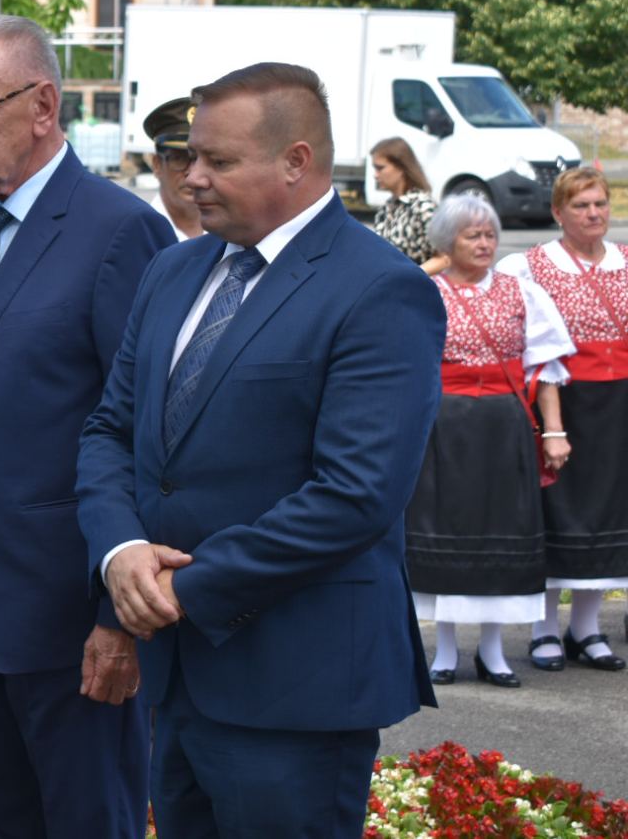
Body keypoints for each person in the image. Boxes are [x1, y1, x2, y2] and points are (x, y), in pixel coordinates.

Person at [77, 62, 445, 839]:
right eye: (188, 157)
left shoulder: (380, 288)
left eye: (218, 160)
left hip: (297, 687)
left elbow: (356, 493)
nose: (192, 178)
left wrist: (188, 587)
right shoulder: (173, 270)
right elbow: (112, 428)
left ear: (297, 162)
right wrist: (120, 552)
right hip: (180, 680)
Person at [0, 15, 172, 838]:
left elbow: (142, 433)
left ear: (43, 105)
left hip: (75, 622)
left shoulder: (119, 230)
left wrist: (117, 617)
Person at [406, 194, 573, 688]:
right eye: (471, 235)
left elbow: (544, 369)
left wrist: (555, 432)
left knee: (502, 527)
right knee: (447, 528)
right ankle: (447, 649)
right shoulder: (424, 292)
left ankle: (494, 649)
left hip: (504, 425)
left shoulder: (522, 292)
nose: (485, 244)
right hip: (444, 426)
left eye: (489, 234)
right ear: (446, 242)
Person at [496, 167, 628, 673]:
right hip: (564, 403)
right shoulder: (530, 267)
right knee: (558, 511)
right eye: (581, 206)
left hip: (618, 407)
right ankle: (544, 629)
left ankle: (587, 628)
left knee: (609, 514)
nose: (594, 213)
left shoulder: (622, 261)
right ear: (557, 213)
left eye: (600, 203)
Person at [370, 137, 440, 269]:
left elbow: (444, 258)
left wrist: (413, 277)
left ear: (402, 167)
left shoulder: (424, 207)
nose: (375, 175)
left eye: (380, 168)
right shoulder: (386, 208)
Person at [144, 96, 203, 240]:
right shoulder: (141, 233)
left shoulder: (231, 236)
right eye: (179, 158)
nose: (192, 173)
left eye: (199, 159)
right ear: (157, 164)